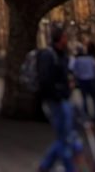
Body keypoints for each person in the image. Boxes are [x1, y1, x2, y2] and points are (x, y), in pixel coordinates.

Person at [36, 23, 77, 172]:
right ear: (60, 38)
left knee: (65, 136)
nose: (67, 39)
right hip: (56, 100)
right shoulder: (49, 55)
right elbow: (45, 79)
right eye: (65, 37)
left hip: (63, 99)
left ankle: (45, 165)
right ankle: (67, 167)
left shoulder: (62, 55)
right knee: (65, 137)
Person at [72, 39, 95, 118]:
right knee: (94, 97)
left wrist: (77, 77)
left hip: (82, 80)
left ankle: (86, 113)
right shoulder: (91, 59)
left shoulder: (78, 60)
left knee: (84, 97)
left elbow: (75, 70)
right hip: (91, 79)